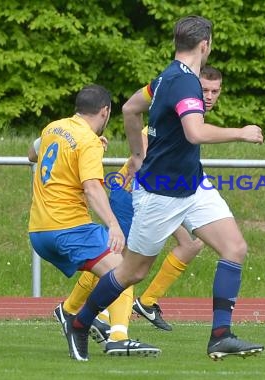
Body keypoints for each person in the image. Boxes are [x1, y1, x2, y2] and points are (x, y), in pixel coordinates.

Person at [65, 15, 265, 361]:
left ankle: (220, 335)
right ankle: (80, 323)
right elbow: (195, 132)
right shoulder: (184, 83)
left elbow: (129, 108)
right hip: (161, 194)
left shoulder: (166, 77)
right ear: (206, 45)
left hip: (192, 185)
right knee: (132, 271)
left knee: (234, 248)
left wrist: (137, 153)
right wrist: (241, 132)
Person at [58, 66, 223, 334]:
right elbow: (143, 156)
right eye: (204, 89)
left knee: (190, 244)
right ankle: (74, 311)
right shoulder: (176, 113)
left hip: (165, 196)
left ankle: (146, 302)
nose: (209, 96)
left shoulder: (194, 119)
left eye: (215, 91)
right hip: (134, 195)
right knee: (118, 262)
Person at [27, 84, 160, 361]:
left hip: (38, 232)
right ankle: (114, 336)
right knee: (125, 269)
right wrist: (112, 223)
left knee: (107, 269)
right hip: (68, 227)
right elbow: (92, 187)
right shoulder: (88, 141)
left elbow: (32, 154)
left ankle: (74, 315)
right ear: (105, 112)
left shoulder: (53, 127)